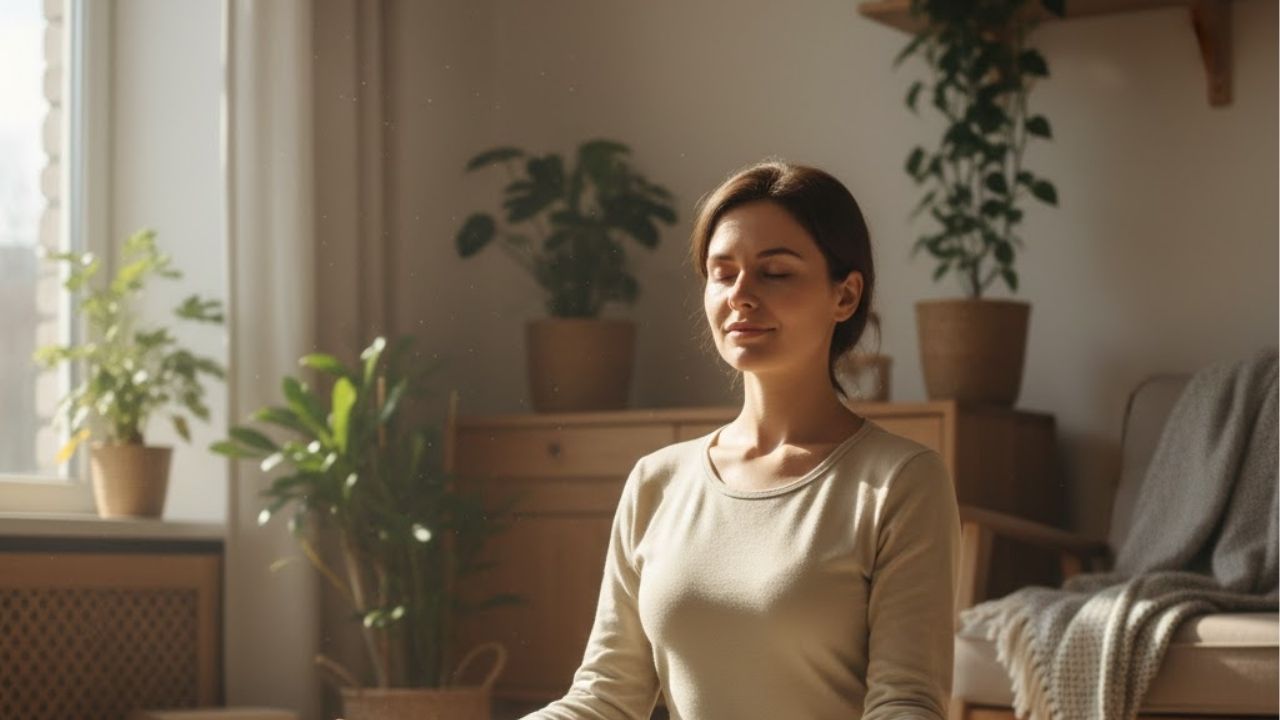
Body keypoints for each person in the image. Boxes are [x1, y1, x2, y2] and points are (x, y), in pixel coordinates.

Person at [521, 160, 961, 720]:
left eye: (775, 273)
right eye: (722, 273)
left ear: (846, 296)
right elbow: (604, 697)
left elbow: (906, 704)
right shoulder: (658, 481)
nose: (741, 295)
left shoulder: (901, 481)